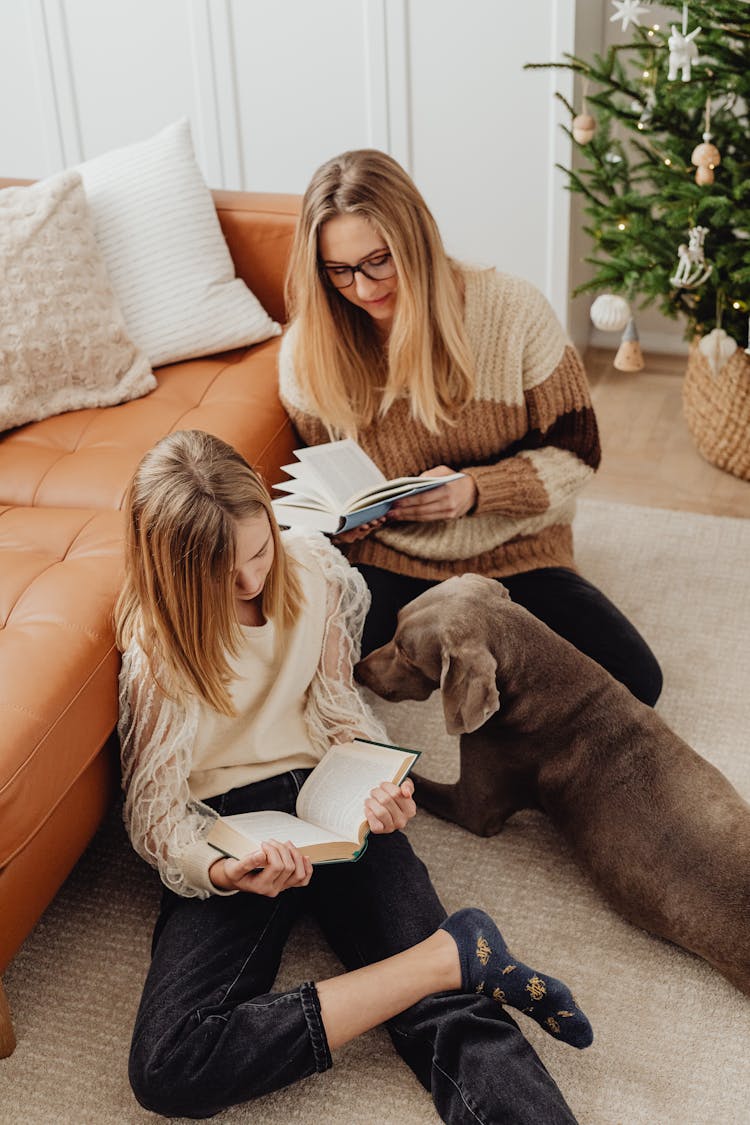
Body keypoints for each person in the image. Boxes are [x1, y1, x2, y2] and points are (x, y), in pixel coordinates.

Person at [115, 428, 591, 1123]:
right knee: (168, 1064)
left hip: (328, 792)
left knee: (453, 1018)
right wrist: (222, 870)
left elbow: (340, 708)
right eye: (224, 573)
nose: (252, 582)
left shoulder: (312, 567)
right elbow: (154, 815)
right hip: (228, 829)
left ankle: (451, 972)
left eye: (258, 551)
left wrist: (377, 782)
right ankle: (446, 956)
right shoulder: (157, 644)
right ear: (174, 571)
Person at [279, 148, 663, 706]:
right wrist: (345, 522)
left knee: (633, 683)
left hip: (515, 549)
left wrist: (476, 491)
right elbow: (326, 481)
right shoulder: (307, 353)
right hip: (391, 557)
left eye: (379, 260)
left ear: (417, 240)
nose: (363, 289)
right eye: (339, 271)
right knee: (314, 682)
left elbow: (577, 452)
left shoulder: (513, 311)